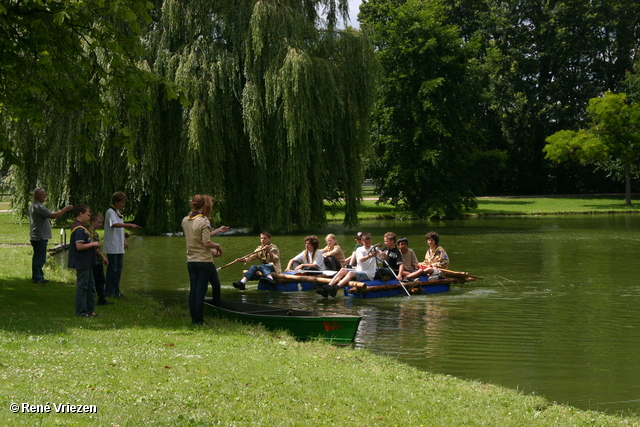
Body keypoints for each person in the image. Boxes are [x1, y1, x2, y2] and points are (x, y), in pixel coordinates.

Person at [181, 194, 223, 325]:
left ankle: (195, 319)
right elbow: (205, 243)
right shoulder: (204, 221)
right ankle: (199, 320)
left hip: (191, 260)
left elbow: (195, 241)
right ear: (205, 206)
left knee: (193, 290)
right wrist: (217, 246)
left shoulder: (185, 220)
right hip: (204, 261)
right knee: (200, 291)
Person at [28, 187, 73, 283]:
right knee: (39, 258)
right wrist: (66, 209)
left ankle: (39, 276)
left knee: (40, 257)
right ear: (37, 196)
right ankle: (37, 278)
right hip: (39, 236)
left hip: (38, 236)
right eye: (43, 194)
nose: (45, 196)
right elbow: (53, 215)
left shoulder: (35, 206)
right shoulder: (38, 206)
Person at [317, 232, 379, 298]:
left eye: (369, 242)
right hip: (359, 270)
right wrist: (370, 256)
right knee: (343, 270)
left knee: (350, 273)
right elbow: (361, 259)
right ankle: (328, 287)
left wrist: (383, 255)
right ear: (362, 241)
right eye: (366, 243)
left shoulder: (375, 249)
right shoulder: (359, 249)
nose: (368, 244)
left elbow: (383, 258)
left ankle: (336, 288)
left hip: (369, 273)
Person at [103, 192, 141, 298]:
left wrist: (124, 240)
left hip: (119, 245)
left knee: (119, 268)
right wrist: (130, 225)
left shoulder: (118, 212)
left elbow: (121, 228)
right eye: (122, 202)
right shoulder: (110, 212)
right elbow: (114, 224)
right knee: (113, 269)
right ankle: (109, 291)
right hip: (112, 245)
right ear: (116, 202)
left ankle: (116, 290)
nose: (124, 204)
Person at [68, 205, 100, 317]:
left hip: (88, 261)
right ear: (81, 214)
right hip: (82, 262)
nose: (89, 216)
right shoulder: (79, 229)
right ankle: (81, 312)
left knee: (91, 286)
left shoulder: (83, 227)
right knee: (82, 286)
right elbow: (79, 246)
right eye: (88, 214)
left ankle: (89, 311)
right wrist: (94, 243)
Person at [88, 213, 111, 306]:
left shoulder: (95, 233)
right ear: (92, 222)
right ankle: (91, 300)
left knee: (101, 280)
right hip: (93, 261)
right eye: (99, 222)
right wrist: (103, 256)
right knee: (94, 280)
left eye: (101, 223)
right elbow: (95, 248)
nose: (100, 224)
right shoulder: (89, 233)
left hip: (98, 261)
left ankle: (102, 299)